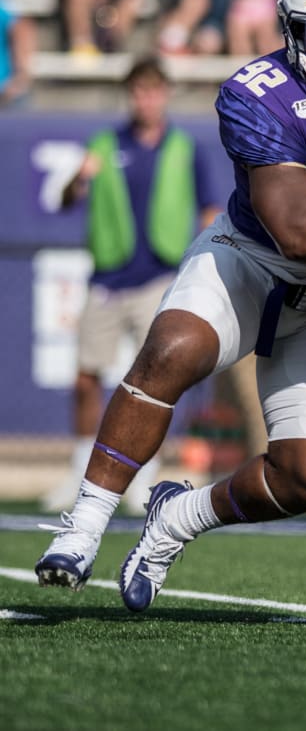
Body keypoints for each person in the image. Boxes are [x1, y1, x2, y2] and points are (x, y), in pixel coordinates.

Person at [34, 0, 306, 605]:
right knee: (171, 348)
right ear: (292, 33)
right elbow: (296, 227)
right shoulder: (258, 91)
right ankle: (85, 523)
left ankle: (177, 518)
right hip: (254, 258)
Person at [39, 55, 221, 515]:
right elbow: (64, 201)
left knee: (154, 383)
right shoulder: (103, 144)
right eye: (139, 90)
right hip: (108, 277)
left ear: (164, 95)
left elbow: (206, 208)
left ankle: (143, 474)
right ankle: (81, 471)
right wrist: (78, 179)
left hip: (158, 279)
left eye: (154, 90)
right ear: (130, 95)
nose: (146, 98)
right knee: (85, 377)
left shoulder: (183, 147)